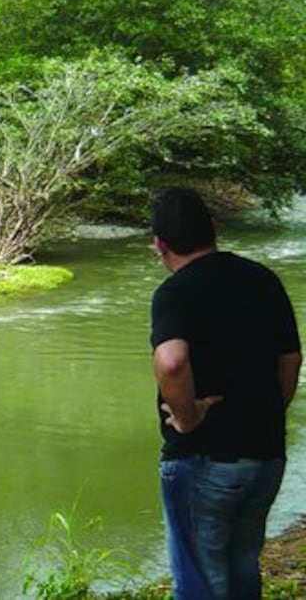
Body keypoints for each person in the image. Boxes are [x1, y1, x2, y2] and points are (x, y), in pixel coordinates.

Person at [149, 187, 301, 599]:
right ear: (214, 228)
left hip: (203, 462)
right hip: (265, 456)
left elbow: (171, 362)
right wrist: (270, 410)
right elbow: (291, 357)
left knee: (201, 584)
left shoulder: (174, 293)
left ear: (159, 245)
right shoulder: (263, 279)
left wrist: (188, 416)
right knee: (242, 573)